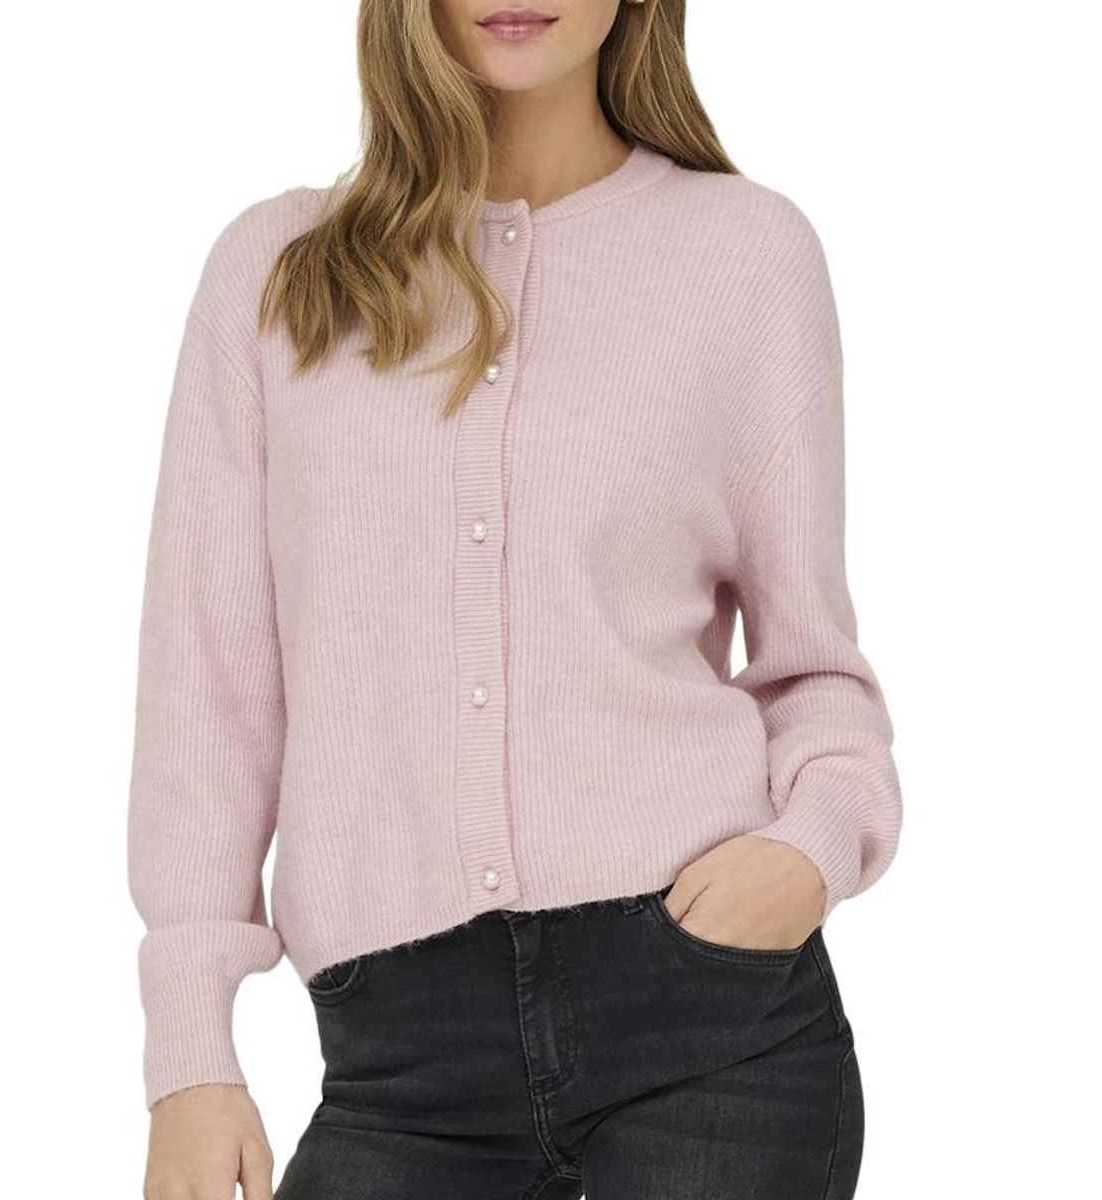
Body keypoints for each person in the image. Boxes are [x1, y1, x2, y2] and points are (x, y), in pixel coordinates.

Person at [128, 2, 903, 1197]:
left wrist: (810, 848)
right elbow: (209, 689)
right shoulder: (281, 272)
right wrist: (190, 1055)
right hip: (398, 1065)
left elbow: (814, 664)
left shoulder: (745, 254)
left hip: (709, 1024)